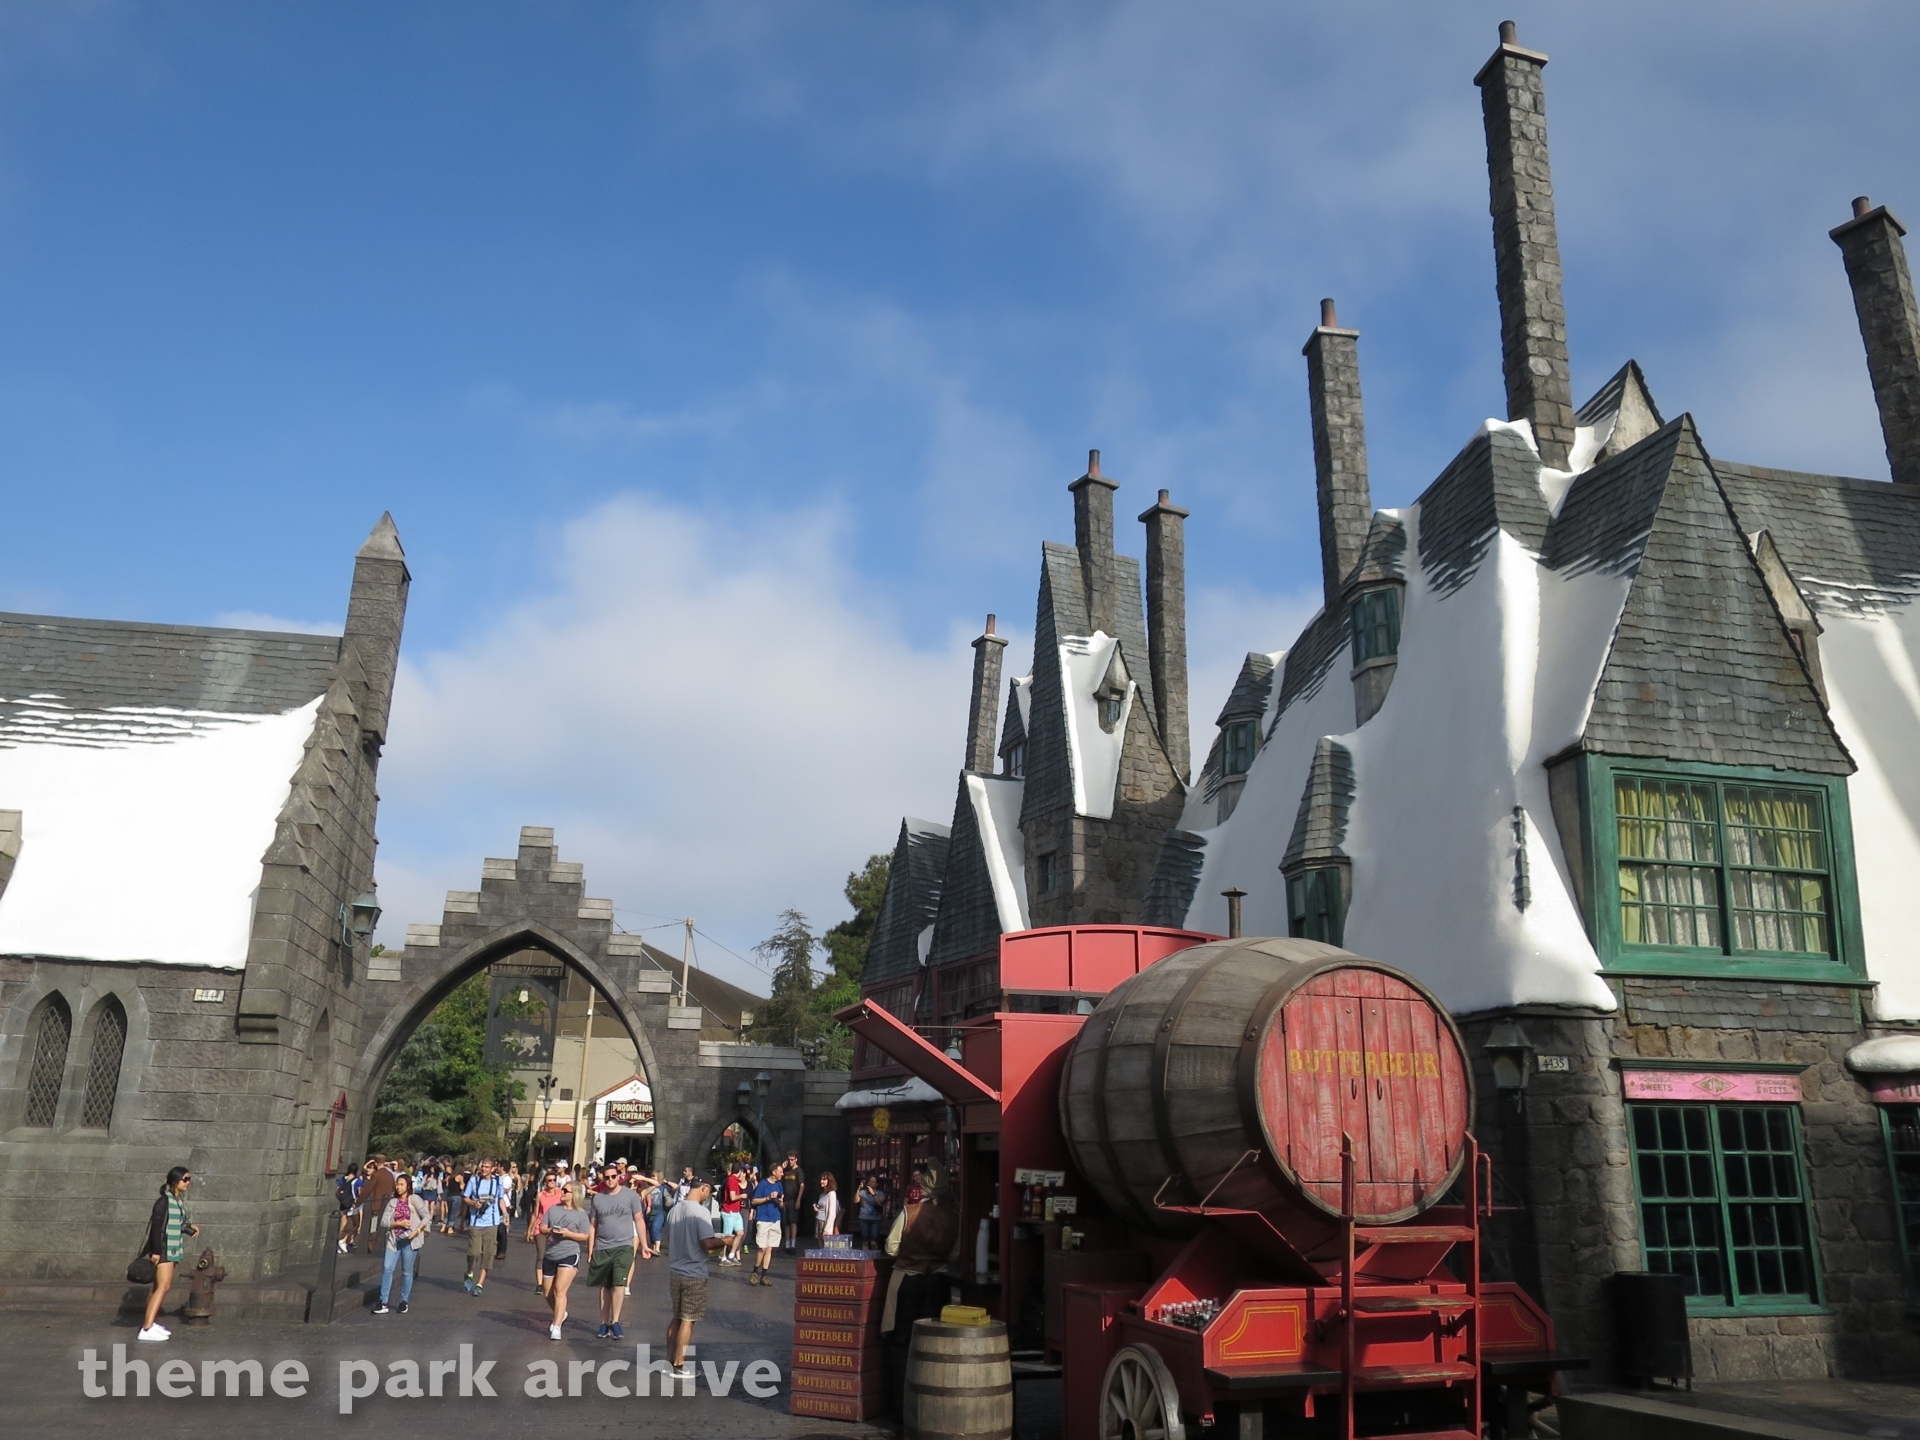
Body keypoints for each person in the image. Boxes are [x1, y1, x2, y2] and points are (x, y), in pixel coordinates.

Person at [881, 1162, 962, 1417]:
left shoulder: (909, 1212)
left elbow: (891, 1248)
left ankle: (900, 1406)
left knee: (901, 1341)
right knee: (932, 1342)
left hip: (908, 1279)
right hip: (938, 1282)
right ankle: (929, 1404)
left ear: (924, 1185)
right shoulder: (954, 1217)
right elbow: (955, 1254)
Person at [664, 1177, 727, 1385]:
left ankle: (669, 1361)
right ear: (704, 1188)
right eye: (709, 1192)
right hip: (694, 1272)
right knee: (688, 1319)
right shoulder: (700, 1212)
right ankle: (679, 1365)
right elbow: (707, 1243)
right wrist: (725, 1240)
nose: (709, 1196)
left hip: (675, 1270)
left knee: (676, 1317)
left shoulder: (675, 1209)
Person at [137, 1166, 199, 1342]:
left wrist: (189, 1229)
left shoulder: (176, 1201)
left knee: (158, 1286)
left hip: (172, 1248)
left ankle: (150, 1322)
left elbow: (176, 1223)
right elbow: (156, 1228)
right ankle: (146, 1328)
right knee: (164, 1286)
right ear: (175, 1181)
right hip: (164, 1248)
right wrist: (156, 1251)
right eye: (185, 1179)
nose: (188, 1183)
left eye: (189, 1179)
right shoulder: (164, 1201)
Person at [585, 1166, 645, 1339]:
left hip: (624, 1245)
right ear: (603, 1179)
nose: (610, 1180)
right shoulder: (598, 1198)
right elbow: (592, 1225)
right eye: (607, 1177)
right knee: (605, 1286)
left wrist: (645, 1245)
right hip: (603, 1246)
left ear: (619, 1176)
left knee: (619, 1283)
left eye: (613, 1176)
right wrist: (590, 1249)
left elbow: (639, 1220)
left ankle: (615, 1321)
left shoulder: (630, 1195)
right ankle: (604, 1323)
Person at [541, 1182, 592, 1340]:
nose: (561, 1192)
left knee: (559, 1290)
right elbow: (542, 1227)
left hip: (569, 1253)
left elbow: (585, 1236)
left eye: (565, 1190)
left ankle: (556, 1327)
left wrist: (569, 1234)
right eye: (562, 1189)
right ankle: (561, 1313)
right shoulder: (553, 1209)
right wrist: (551, 1230)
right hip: (550, 1253)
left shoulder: (581, 1214)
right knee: (547, 1293)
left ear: (574, 1194)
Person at [374, 1173, 428, 1314]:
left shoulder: (415, 1199)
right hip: (394, 1240)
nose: (399, 1187)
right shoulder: (392, 1202)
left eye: (402, 1184)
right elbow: (383, 1222)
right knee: (387, 1268)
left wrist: (417, 1231)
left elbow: (426, 1216)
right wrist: (398, 1223)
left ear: (408, 1186)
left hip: (410, 1241)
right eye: (397, 1184)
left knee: (407, 1271)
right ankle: (383, 1301)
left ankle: (404, 1301)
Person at [463, 1158, 507, 1295]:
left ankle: (479, 1285)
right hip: (476, 1222)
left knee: (488, 1255)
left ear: (493, 1169)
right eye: (483, 1166)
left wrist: (505, 1213)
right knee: (474, 1253)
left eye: (487, 1167)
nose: (484, 1169)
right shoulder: (473, 1181)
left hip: (492, 1223)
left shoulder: (498, 1182)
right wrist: (473, 1203)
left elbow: (500, 1199)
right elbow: (465, 1197)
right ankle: (469, 1272)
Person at [748, 1162, 785, 1286]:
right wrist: (768, 1198)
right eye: (780, 1172)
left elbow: (781, 1205)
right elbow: (754, 1201)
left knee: (770, 1248)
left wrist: (781, 1201)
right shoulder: (763, 1184)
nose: (782, 1174)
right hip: (763, 1219)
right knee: (762, 1248)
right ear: (774, 1172)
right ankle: (755, 1272)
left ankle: (764, 1275)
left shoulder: (779, 1185)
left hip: (775, 1219)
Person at [527, 1171, 563, 1293]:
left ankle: (553, 1280)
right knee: (541, 1255)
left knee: (555, 1254)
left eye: (554, 1180)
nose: (552, 1182)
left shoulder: (560, 1193)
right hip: (541, 1227)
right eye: (549, 1180)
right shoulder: (540, 1195)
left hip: (556, 1228)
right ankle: (540, 1284)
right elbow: (535, 1213)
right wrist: (530, 1229)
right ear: (545, 1182)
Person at [360, 1156, 397, 1256]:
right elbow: (394, 1188)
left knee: (374, 1225)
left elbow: (368, 1189)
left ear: (376, 1163)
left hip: (376, 1204)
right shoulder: (390, 1175)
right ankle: (381, 1245)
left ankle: (372, 1245)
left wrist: (358, 1202)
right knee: (383, 1225)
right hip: (387, 1204)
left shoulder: (376, 1175)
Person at [719, 1162, 746, 1265]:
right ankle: (723, 1258)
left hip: (736, 1211)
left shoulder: (734, 1180)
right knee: (727, 1237)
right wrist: (741, 1196)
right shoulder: (732, 1180)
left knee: (740, 1233)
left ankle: (731, 1255)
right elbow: (732, 1197)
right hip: (729, 1212)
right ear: (739, 1171)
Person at [781, 1151, 806, 1254]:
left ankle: (793, 1245)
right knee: (786, 1223)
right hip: (785, 1199)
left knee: (793, 1222)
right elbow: (779, 1178)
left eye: (792, 1159)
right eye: (789, 1159)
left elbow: (802, 1186)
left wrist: (798, 1200)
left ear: (796, 1159)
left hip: (794, 1199)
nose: (790, 1161)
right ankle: (787, 1244)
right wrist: (782, 1168)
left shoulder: (798, 1171)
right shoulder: (786, 1171)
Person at [856, 1173, 885, 1249]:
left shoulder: (880, 1194)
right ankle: (865, 1255)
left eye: (873, 1182)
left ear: (876, 1184)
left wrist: (873, 1194)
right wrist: (859, 1189)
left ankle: (874, 1255)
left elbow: (879, 1204)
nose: (871, 1183)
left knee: (873, 1241)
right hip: (863, 1218)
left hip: (875, 1219)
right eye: (870, 1181)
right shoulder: (863, 1192)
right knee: (865, 1241)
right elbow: (856, 1200)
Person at [815, 1172, 840, 1241]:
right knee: (820, 1242)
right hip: (819, 1220)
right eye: (821, 1179)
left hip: (825, 1222)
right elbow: (822, 1206)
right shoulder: (822, 1194)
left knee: (825, 1244)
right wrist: (817, 1208)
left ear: (829, 1181)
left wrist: (827, 1228)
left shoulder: (832, 1194)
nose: (821, 1181)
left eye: (824, 1179)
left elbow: (832, 1213)